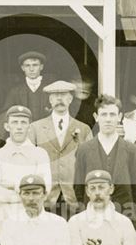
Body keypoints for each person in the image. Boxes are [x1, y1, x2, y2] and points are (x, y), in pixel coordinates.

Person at [72, 94, 136, 219]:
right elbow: (78, 186)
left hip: (123, 215)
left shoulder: (130, 149)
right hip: (92, 217)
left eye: (112, 114)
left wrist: (131, 216)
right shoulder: (84, 149)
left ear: (119, 117)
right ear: (96, 117)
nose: (108, 119)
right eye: (103, 114)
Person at [26, 81, 92, 217]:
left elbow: (89, 164)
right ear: (50, 100)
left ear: (70, 99)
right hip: (45, 197)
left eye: (64, 95)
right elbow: (29, 164)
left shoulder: (84, 129)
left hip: (74, 197)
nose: (60, 99)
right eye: (56, 96)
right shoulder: (35, 128)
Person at [0, 105, 52, 223]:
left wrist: (10, 186)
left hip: (33, 218)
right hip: (5, 218)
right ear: (7, 126)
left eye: (23, 123)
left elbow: (46, 188)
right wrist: (28, 194)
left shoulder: (40, 154)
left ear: (30, 127)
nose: (19, 127)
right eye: (15, 122)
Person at [2, 51, 49, 120]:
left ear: (41, 67)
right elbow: (6, 114)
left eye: (35, 65)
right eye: (27, 65)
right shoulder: (15, 92)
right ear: (23, 68)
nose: (31, 69)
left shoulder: (49, 90)